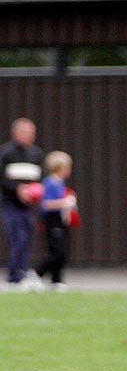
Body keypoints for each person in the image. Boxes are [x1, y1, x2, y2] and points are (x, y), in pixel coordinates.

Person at [0, 117, 45, 288]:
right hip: (11, 203)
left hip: (28, 205)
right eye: (25, 132)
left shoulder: (36, 154)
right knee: (16, 237)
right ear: (15, 133)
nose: (29, 136)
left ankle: (23, 271)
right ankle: (15, 275)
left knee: (27, 236)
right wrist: (18, 189)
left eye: (31, 133)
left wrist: (34, 191)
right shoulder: (6, 152)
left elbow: (39, 178)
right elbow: (2, 178)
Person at [35, 150, 78, 291]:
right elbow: (46, 204)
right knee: (57, 251)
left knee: (63, 251)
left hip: (60, 221)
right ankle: (36, 273)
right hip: (52, 221)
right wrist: (64, 202)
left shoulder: (60, 183)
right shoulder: (50, 183)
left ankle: (56, 280)